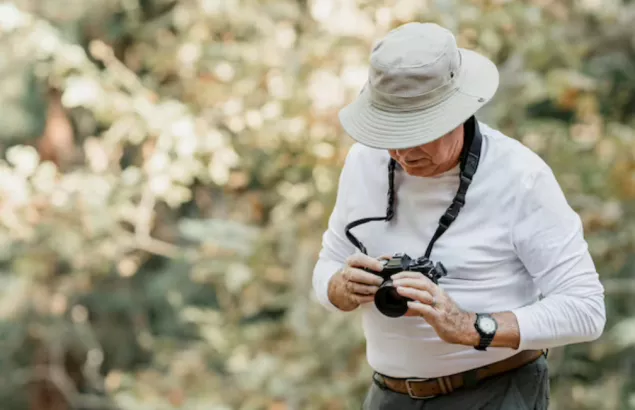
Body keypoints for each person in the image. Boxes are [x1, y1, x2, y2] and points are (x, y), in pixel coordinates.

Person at [311, 22, 606, 410]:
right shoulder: (363, 162)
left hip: (495, 392)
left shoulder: (520, 177)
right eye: (390, 132)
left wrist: (471, 327)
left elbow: (586, 309)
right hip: (390, 396)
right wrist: (340, 287)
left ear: (458, 113)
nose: (402, 150)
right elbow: (327, 262)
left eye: (417, 131)